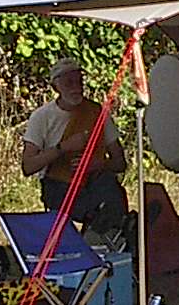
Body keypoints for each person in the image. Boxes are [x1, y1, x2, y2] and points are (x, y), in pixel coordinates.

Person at [20, 58, 128, 230]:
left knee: (111, 196)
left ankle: (107, 245)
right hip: (59, 183)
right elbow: (28, 166)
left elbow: (120, 162)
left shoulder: (96, 112)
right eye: (69, 83)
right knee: (86, 206)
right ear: (56, 87)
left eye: (79, 82)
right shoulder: (42, 116)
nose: (76, 88)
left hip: (95, 180)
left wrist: (99, 164)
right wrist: (63, 148)